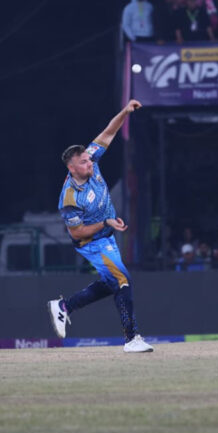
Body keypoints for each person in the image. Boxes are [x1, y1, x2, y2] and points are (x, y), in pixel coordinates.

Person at [47, 100, 153, 354]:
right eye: (84, 162)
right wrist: (105, 222)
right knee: (123, 280)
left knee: (111, 283)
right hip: (91, 243)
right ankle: (132, 339)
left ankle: (64, 307)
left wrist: (125, 112)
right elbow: (77, 233)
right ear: (72, 168)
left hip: (106, 234)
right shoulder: (69, 198)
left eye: (89, 159)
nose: (90, 163)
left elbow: (108, 133)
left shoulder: (91, 159)